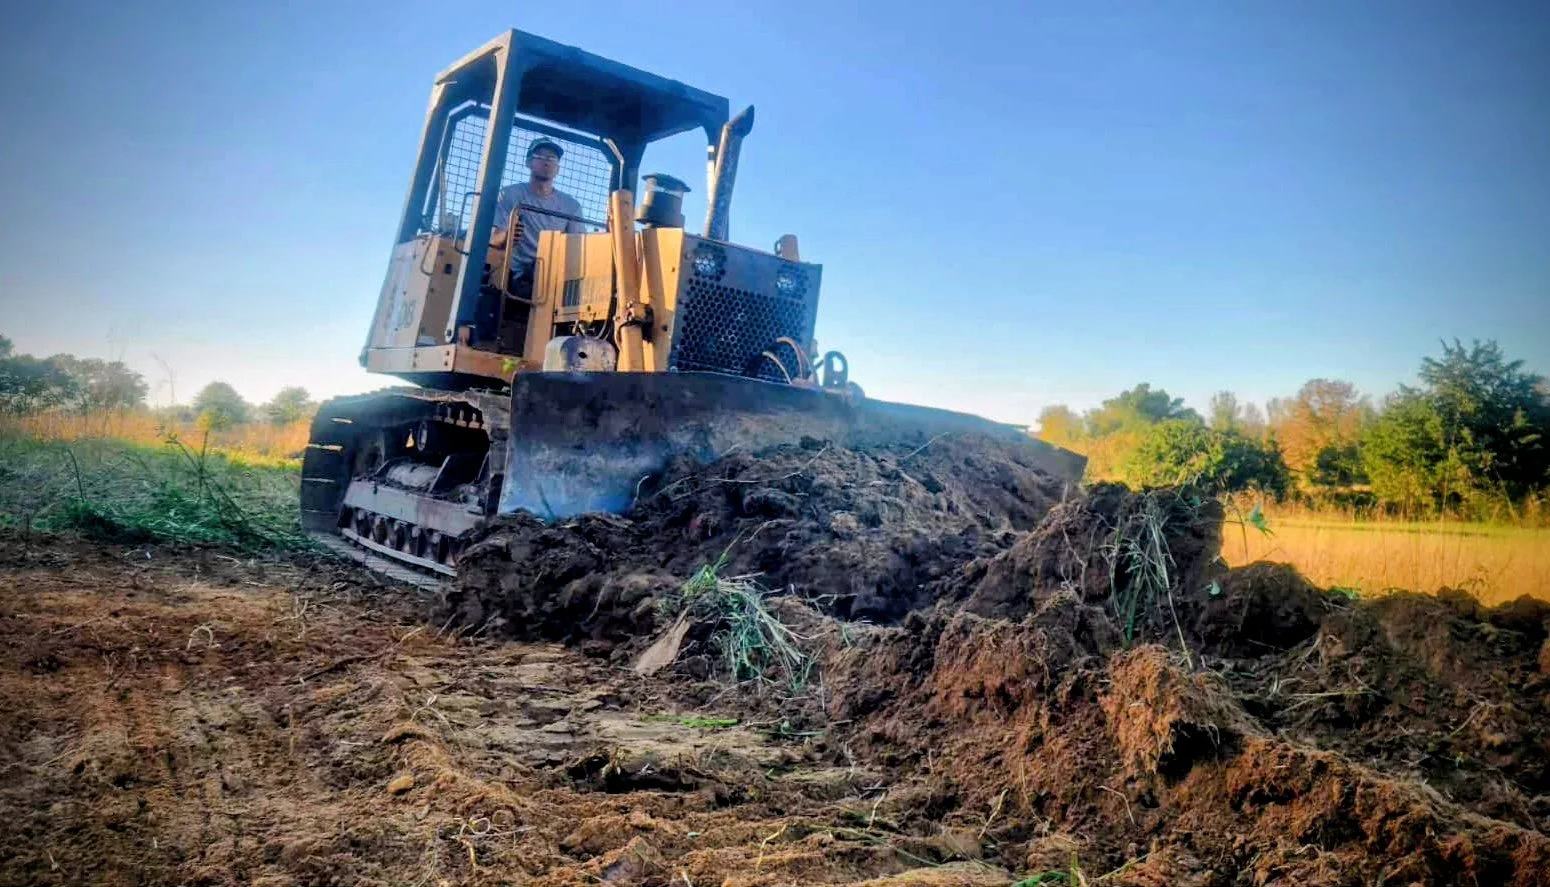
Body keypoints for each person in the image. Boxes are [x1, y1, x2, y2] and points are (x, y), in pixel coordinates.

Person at [474, 138, 585, 347]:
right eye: (541, 157)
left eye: (552, 158)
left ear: (558, 168)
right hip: (513, 272)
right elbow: (493, 237)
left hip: (553, 275)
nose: (547, 162)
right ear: (528, 163)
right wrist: (506, 236)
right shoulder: (510, 194)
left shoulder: (571, 206)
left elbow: (578, 248)